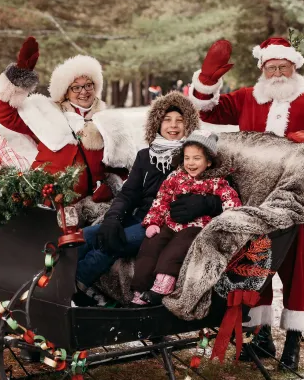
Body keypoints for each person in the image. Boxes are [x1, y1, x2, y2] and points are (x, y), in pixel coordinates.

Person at [186, 37, 304, 370]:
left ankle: (293, 341)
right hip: (253, 201)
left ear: (293, 67)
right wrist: (208, 78)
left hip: (294, 199)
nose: (276, 73)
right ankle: (261, 335)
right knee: (255, 264)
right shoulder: (248, 97)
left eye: (282, 67)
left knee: (296, 269)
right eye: (270, 67)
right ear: (262, 69)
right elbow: (205, 110)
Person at [75, 93, 223, 304]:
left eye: (180, 121)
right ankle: (54, 278)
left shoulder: (195, 157)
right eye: (167, 119)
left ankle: (74, 286)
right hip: (139, 216)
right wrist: (113, 218)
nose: (173, 125)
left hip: (163, 224)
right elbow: (129, 193)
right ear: (157, 122)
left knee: (113, 244)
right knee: (85, 236)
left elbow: (222, 192)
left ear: (188, 124)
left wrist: (206, 203)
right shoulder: (146, 155)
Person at [0, 37, 136, 202]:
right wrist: (19, 76)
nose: (83, 91)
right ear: (65, 92)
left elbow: (121, 167)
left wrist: (112, 186)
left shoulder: (110, 122)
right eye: (76, 87)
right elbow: (5, 116)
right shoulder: (46, 113)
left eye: (88, 85)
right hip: (44, 199)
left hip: (86, 206)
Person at [130, 130, 241, 306]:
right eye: (187, 158)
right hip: (171, 224)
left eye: (197, 158)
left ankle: (162, 285)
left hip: (195, 228)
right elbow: (161, 200)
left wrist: (213, 207)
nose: (190, 163)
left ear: (209, 161)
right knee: (151, 245)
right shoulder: (175, 177)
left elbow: (233, 204)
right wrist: (153, 222)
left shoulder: (217, 182)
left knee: (176, 249)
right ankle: (139, 289)